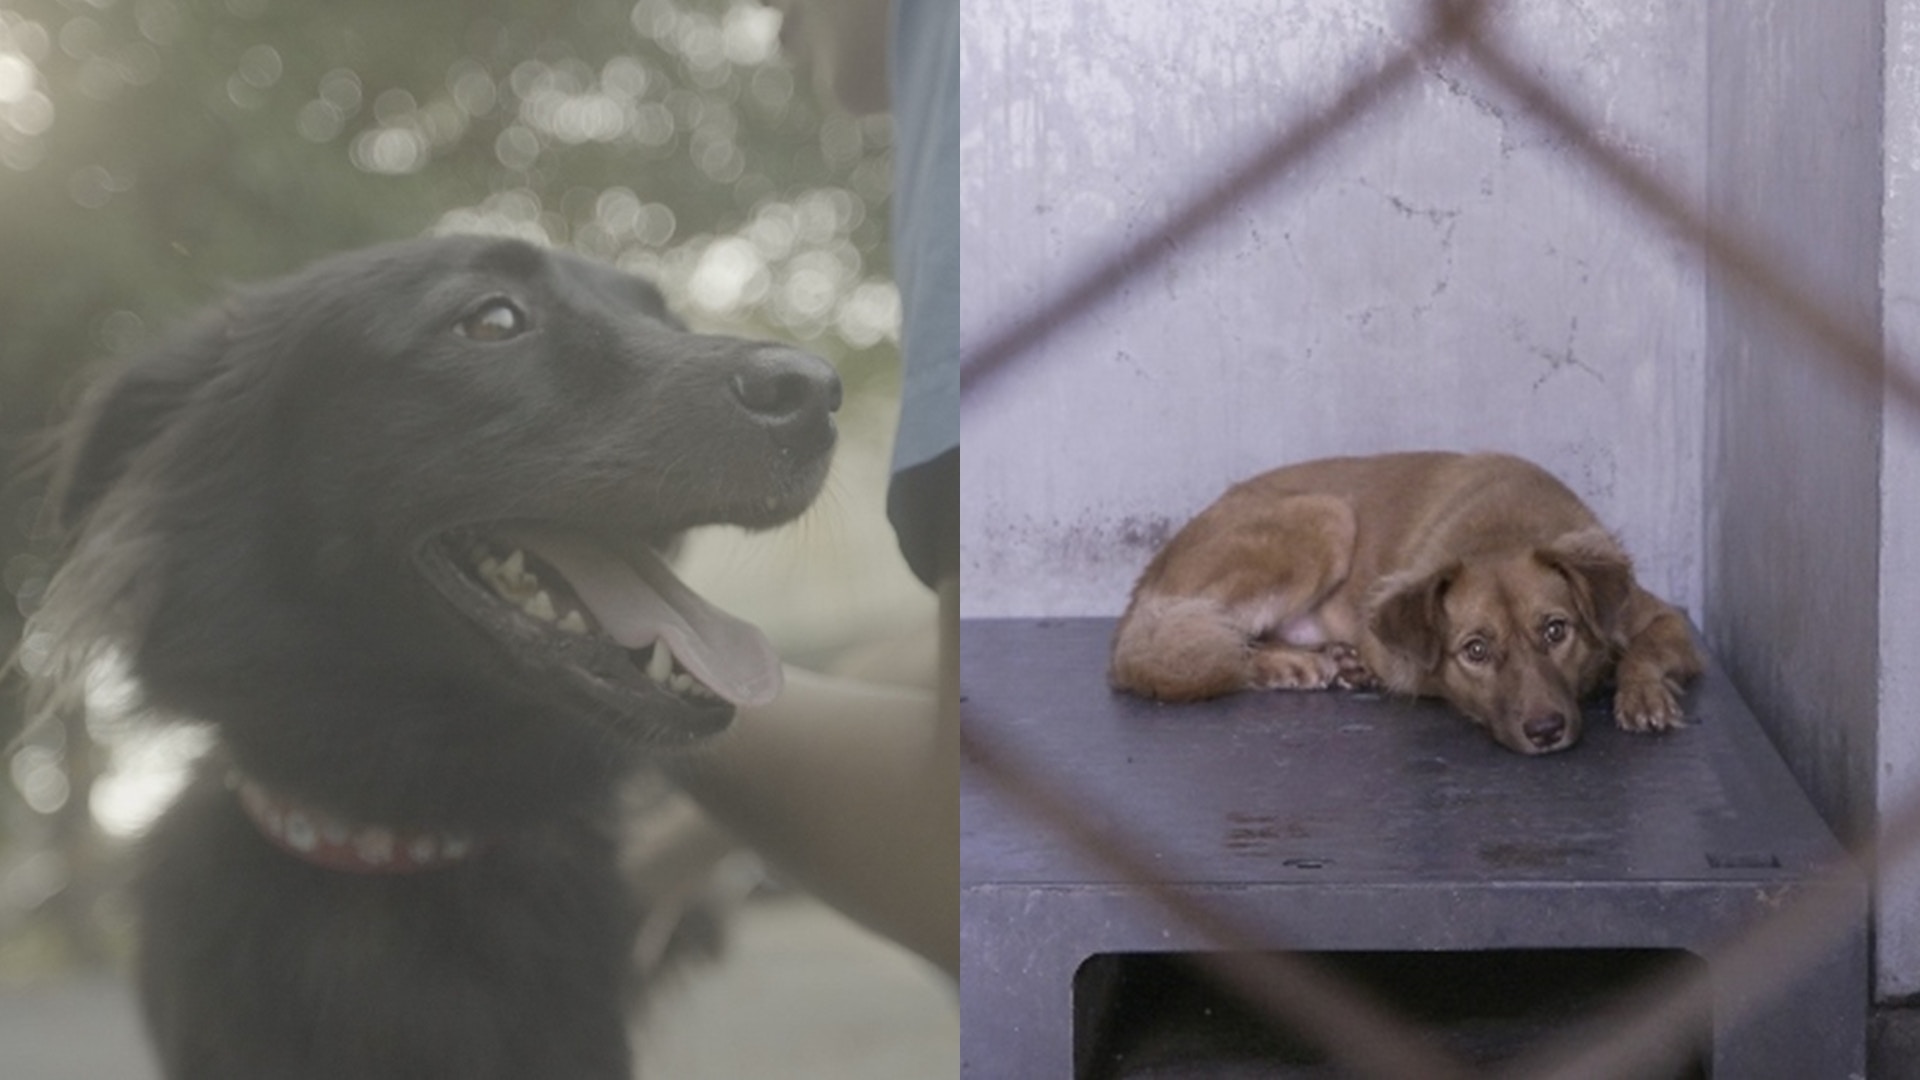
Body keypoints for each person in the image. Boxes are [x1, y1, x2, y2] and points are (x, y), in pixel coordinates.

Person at [664, 0, 958, 976]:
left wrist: (589, 651)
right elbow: (997, 658)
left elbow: (977, 846)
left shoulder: (972, 49)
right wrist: (673, 846)